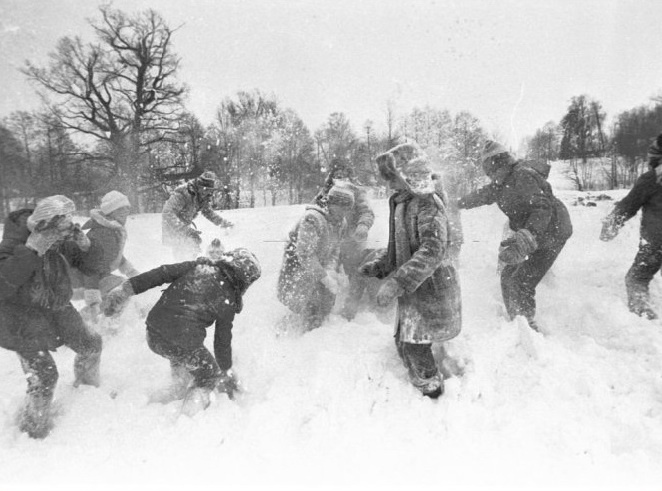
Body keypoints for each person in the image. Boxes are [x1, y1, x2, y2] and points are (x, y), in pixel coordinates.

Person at [102, 241, 261, 415]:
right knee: (209, 374)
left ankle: (163, 399)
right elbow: (222, 342)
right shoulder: (228, 300)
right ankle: (188, 417)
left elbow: (160, 274)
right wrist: (226, 370)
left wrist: (126, 289)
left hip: (154, 332)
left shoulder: (196, 267)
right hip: (181, 341)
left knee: (184, 366)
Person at [360, 143, 462, 398]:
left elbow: (431, 250)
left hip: (432, 285)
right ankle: (423, 379)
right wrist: (380, 266)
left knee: (414, 342)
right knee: (406, 339)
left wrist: (397, 283)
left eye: (393, 178)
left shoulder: (428, 204)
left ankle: (432, 392)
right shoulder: (404, 201)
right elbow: (400, 245)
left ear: (409, 175)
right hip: (415, 284)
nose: (389, 184)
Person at [0, 196, 103, 438]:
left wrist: (85, 246)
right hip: (19, 317)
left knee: (92, 344)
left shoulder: (58, 240)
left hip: (57, 307)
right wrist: (32, 249)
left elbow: (91, 266)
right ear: (43, 225)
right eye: (61, 227)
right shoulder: (11, 245)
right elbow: (4, 285)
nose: (63, 234)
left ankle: (86, 393)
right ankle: (33, 430)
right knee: (45, 375)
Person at [457, 140, 573, 332]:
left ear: (502, 164)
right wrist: (456, 203)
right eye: (488, 173)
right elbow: (482, 195)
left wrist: (529, 235)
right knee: (508, 276)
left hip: (553, 231)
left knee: (521, 280)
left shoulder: (522, 177)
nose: (491, 176)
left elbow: (542, 207)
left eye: (492, 170)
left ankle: (528, 328)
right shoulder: (501, 183)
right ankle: (517, 322)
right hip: (535, 233)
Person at [600, 133, 662, 319]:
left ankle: (643, 316)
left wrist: (610, 225)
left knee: (636, 278)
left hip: (656, 243)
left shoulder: (652, 179)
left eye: (653, 150)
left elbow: (628, 206)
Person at [277, 183, 355, 331]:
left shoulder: (341, 223)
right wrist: (325, 278)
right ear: (332, 203)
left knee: (325, 304)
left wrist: (330, 271)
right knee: (305, 306)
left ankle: (314, 334)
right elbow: (305, 254)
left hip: (319, 269)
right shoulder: (312, 219)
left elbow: (335, 250)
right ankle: (289, 336)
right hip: (297, 269)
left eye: (347, 210)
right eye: (342, 208)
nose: (344, 214)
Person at [313, 159, 375, 320]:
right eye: (337, 175)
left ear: (350, 176)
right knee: (326, 274)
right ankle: (323, 310)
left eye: (344, 175)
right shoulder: (325, 193)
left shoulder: (357, 192)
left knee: (355, 275)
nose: (340, 178)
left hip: (352, 242)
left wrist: (362, 226)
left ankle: (350, 309)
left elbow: (366, 212)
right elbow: (315, 213)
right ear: (331, 177)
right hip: (330, 243)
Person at [76, 190, 140, 323]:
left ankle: (83, 320)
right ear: (111, 212)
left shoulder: (111, 230)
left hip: (96, 277)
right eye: (121, 209)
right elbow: (91, 266)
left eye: (127, 209)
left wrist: (130, 271)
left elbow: (112, 255)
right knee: (123, 290)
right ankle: (100, 322)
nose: (126, 213)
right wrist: (93, 300)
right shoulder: (103, 233)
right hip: (85, 280)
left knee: (123, 290)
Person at [162, 171, 233, 261]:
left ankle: (190, 266)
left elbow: (208, 212)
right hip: (173, 226)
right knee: (183, 253)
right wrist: (185, 229)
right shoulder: (183, 193)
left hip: (185, 226)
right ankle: (182, 269)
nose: (207, 193)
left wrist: (223, 223)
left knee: (194, 247)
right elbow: (167, 213)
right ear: (199, 186)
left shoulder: (203, 196)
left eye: (209, 190)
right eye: (205, 189)